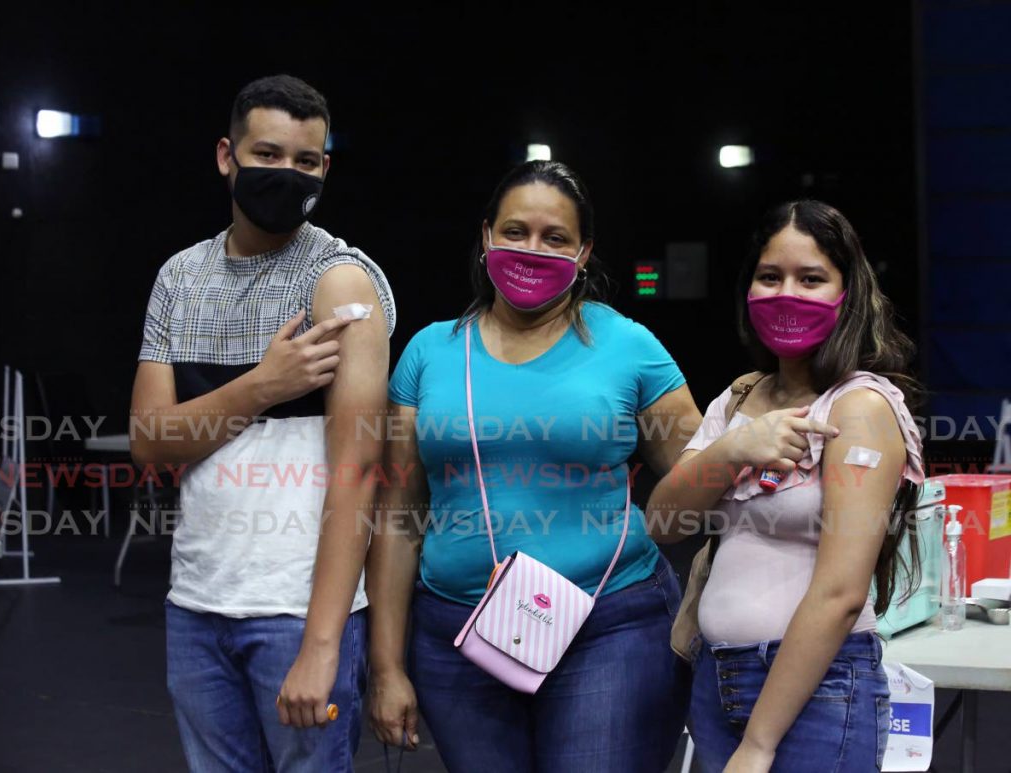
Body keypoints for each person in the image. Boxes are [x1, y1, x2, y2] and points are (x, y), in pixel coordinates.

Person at [365, 160, 700, 772]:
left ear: (585, 251)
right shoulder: (429, 352)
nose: (532, 249)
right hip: (458, 636)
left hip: (610, 628)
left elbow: (702, 491)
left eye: (555, 238)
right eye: (515, 232)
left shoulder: (629, 346)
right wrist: (386, 667)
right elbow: (398, 516)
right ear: (486, 235)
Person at [130, 74, 395, 772]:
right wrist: (263, 385)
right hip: (195, 605)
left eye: (306, 162)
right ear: (227, 156)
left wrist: (322, 642)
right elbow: (150, 439)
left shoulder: (341, 282)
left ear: (325, 169)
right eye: (268, 155)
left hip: (294, 612)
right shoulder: (179, 279)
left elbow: (359, 469)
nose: (287, 174)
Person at [647, 200, 924, 772]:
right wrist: (733, 448)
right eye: (769, 277)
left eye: (811, 278)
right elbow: (664, 521)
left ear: (848, 294)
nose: (785, 293)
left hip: (817, 694)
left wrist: (759, 742)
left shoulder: (861, 408)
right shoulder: (741, 397)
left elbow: (841, 594)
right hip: (716, 680)